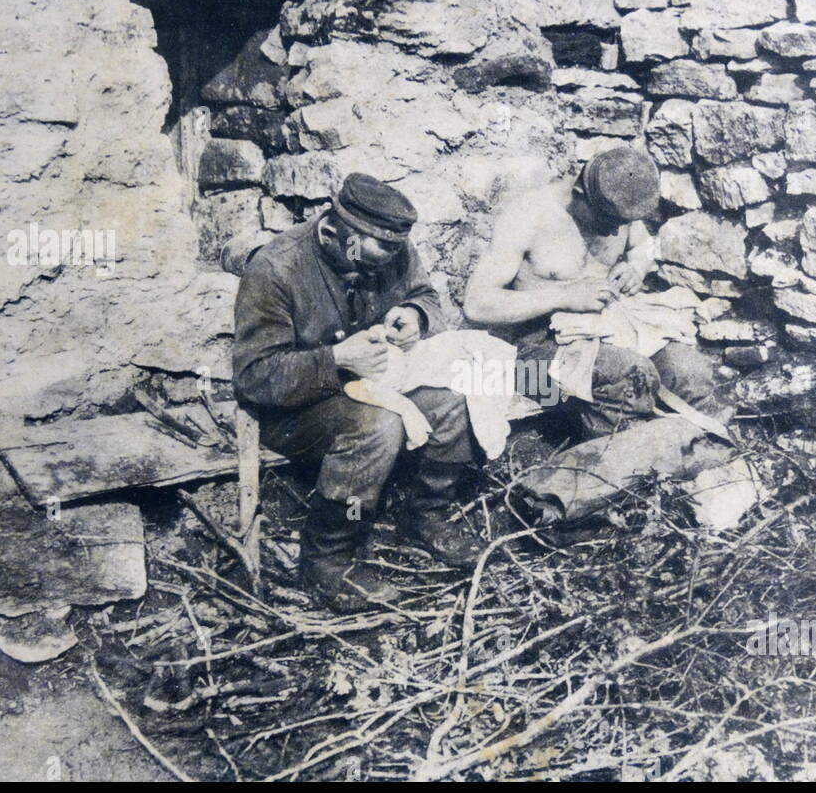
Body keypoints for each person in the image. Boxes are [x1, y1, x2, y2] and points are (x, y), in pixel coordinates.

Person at [232, 173, 481, 613]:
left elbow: (425, 294)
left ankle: (425, 513)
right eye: (375, 256)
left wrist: (414, 314)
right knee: (378, 426)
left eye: (394, 251)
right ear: (332, 234)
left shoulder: (391, 248)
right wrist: (336, 360)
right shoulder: (276, 268)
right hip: (297, 410)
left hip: (375, 385)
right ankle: (330, 556)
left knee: (451, 400)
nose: (389, 262)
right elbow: (255, 377)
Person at [462, 146, 721, 438]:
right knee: (627, 375)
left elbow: (644, 246)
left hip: (611, 331)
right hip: (532, 360)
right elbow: (477, 304)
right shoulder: (529, 215)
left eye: (621, 226)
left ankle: (694, 456)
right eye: (608, 224)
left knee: (689, 370)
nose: (614, 234)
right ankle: (622, 473)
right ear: (580, 195)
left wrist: (636, 267)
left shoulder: (615, 207)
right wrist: (563, 296)